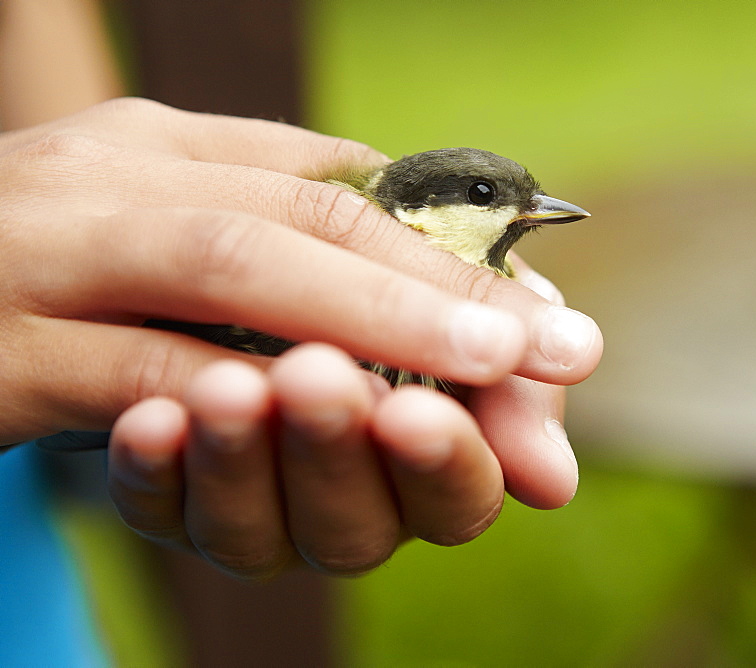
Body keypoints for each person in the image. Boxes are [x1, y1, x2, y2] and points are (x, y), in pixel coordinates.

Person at [0, 97, 603, 578]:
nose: (531, 211)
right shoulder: (332, 258)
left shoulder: (485, 287)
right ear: (418, 210)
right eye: (482, 197)